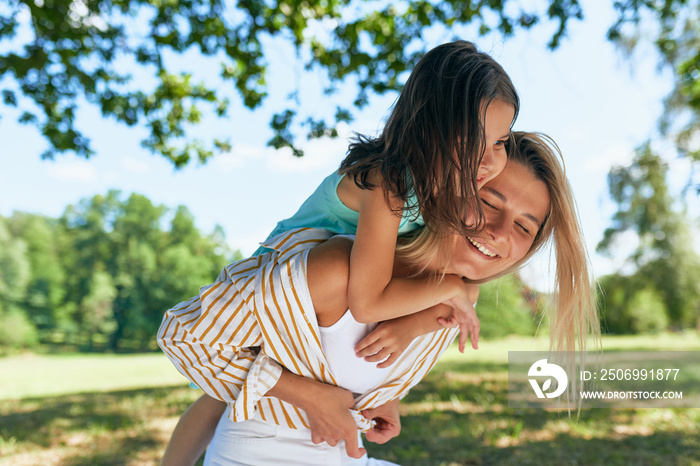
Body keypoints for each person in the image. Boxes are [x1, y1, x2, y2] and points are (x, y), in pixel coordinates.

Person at [159, 39, 519, 465]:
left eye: (500, 142)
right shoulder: (389, 184)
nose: (489, 160)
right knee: (222, 392)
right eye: (472, 140)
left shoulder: (438, 192)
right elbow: (368, 304)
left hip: (328, 287)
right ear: (430, 127)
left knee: (229, 391)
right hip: (285, 278)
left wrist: (415, 333)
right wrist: (452, 290)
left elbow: (427, 280)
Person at [157, 132, 601, 465]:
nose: (500, 233)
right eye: (488, 201)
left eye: (524, 227)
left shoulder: (454, 298)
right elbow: (188, 338)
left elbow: (351, 364)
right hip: (261, 456)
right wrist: (313, 397)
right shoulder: (343, 265)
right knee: (218, 392)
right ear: (451, 186)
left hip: (341, 457)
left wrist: (383, 395)